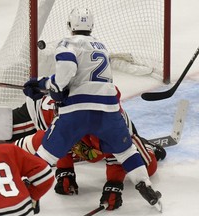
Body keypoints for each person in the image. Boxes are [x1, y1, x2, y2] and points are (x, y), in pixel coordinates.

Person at [23, 8, 162, 208]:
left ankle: (29, 188)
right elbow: (84, 78)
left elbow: (67, 71)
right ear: (92, 26)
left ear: (70, 26)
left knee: (46, 153)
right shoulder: (101, 46)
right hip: (109, 110)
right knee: (126, 152)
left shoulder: (67, 43)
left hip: (77, 110)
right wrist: (45, 84)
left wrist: (51, 87)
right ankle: (146, 187)